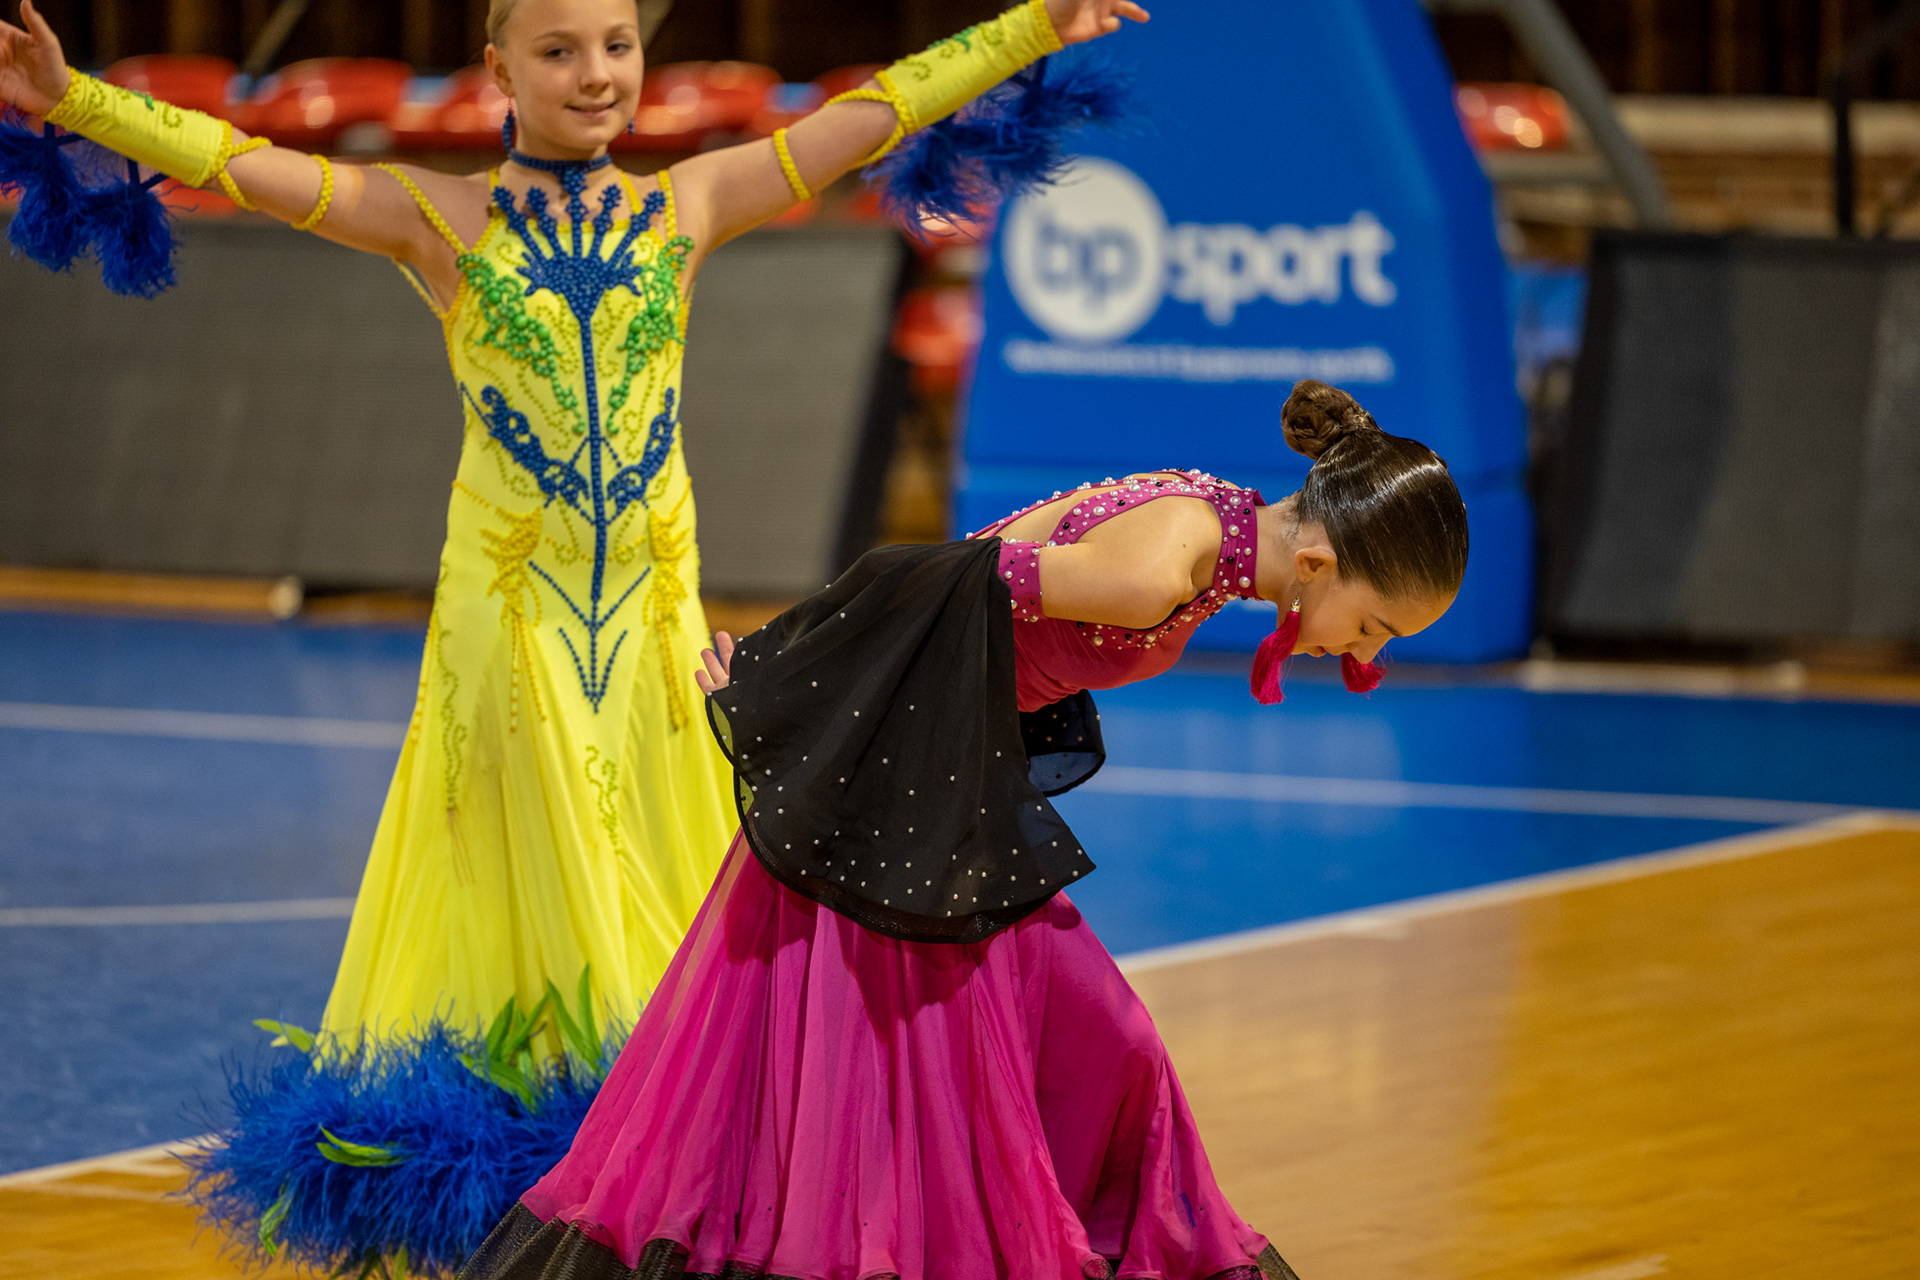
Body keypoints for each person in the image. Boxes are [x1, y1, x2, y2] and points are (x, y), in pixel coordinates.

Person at [0, 0, 1144, 1270]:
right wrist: (73, 99)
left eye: (615, 45)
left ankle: (667, 1169)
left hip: (652, 632)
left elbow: (866, 118)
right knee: (558, 881)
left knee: (657, 876)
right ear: (498, 67)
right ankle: (594, 1180)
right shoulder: (437, 219)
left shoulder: (687, 206)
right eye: (558, 51)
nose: (595, 74)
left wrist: (1029, 26)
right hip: (512, 629)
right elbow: (238, 163)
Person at [456, 380, 1467, 1280]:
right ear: (1319, 560)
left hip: (943, 789)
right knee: (913, 1111)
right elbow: (939, 575)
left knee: (1104, 1052)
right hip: (900, 803)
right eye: (1372, 627)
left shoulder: (1210, 530)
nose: (1361, 654)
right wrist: (785, 675)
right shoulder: (1166, 566)